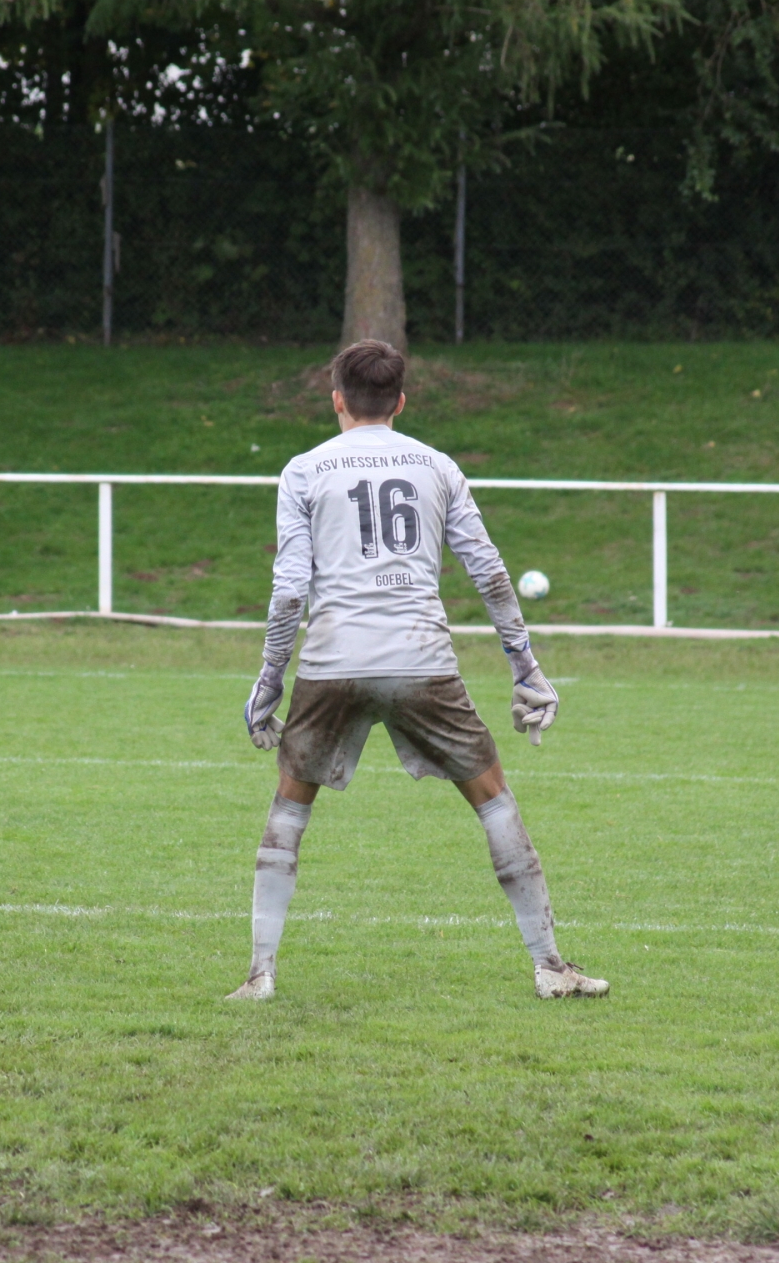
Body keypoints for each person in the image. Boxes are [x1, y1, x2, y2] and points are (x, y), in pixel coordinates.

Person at [232, 339, 607, 1002]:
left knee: (289, 810)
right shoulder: (437, 466)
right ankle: (550, 965)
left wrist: (269, 680)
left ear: (337, 400)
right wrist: (525, 666)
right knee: (494, 801)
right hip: (420, 659)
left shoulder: (304, 470)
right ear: (401, 402)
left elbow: (290, 591)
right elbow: (488, 570)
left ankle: (260, 974)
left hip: (332, 661)